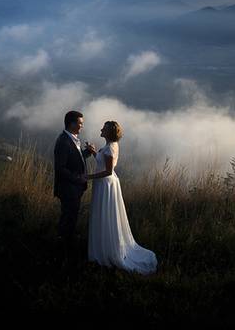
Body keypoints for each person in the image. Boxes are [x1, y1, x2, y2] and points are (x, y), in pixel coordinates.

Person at [85, 120, 157, 275]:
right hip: (105, 185)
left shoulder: (110, 148)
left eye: (103, 128)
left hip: (106, 185)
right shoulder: (110, 145)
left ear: (109, 132)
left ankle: (108, 251)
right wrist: (93, 152)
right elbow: (103, 161)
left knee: (106, 216)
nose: (101, 129)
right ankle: (104, 248)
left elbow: (108, 171)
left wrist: (88, 176)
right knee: (104, 215)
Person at [53, 110, 96, 260]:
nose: (82, 126)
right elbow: (61, 168)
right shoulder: (64, 142)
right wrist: (79, 179)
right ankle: (64, 250)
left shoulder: (71, 139)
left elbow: (74, 160)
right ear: (71, 124)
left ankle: (65, 245)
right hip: (68, 189)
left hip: (74, 188)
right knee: (68, 218)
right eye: (80, 124)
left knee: (70, 217)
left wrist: (87, 152)